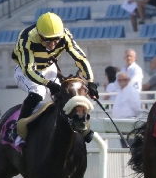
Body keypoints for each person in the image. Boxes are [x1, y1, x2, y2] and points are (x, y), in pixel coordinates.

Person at [12, 12, 97, 142]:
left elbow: (80, 58)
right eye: (47, 40)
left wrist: (90, 80)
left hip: (49, 67)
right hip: (26, 70)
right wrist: (49, 84)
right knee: (38, 92)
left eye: (56, 39)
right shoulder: (26, 38)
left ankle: (79, 126)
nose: (52, 44)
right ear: (39, 35)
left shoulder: (65, 35)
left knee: (63, 94)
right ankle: (17, 129)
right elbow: (29, 69)